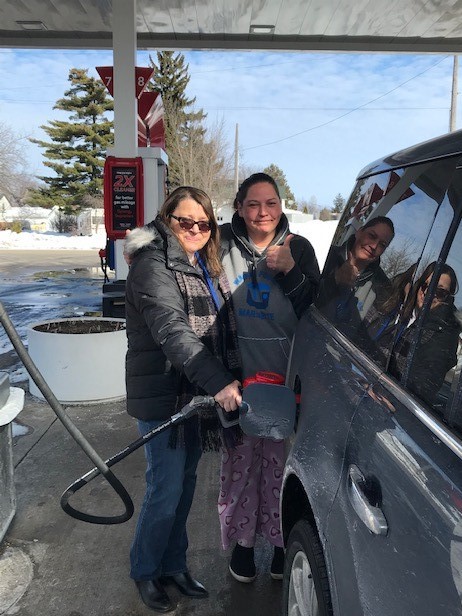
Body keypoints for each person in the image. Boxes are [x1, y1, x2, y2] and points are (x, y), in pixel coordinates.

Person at [123, 186, 242, 613]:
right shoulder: (153, 266)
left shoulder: (202, 265)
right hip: (164, 397)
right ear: (166, 218)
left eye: (203, 223)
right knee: (165, 488)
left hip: (192, 396)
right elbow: (175, 332)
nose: (194, 229)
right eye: (184, 221)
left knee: (185, 485)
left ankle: (174, 565)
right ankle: (145, 570)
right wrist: (220, 383)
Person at [218, 172, 320, 583]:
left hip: (285, 376)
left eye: (271, 203)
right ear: (240, 208)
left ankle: (279, 546)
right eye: (253, 204)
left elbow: (316, 309)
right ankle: (244, 545)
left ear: (282, 206)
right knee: (240, 467)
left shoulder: (300, 247)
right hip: (237, 373)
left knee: (281, 468)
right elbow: (177, 240)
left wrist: (292, 272)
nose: (263, 212)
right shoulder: (221, 243)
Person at [388, 261, 461, 406]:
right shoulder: (400, 308)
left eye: (439, 292)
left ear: (448, 297)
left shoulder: (444, 333)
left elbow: (426, 383)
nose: (428, 293)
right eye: (426, 286)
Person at [316, 216, 395, 333]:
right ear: (359, 232)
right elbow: (301, 299)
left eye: (382, 245)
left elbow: (369, 336)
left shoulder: (381, 288)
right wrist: (334, 280)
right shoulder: (325, 255)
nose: (374, 246)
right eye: (372, 236)